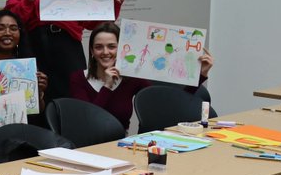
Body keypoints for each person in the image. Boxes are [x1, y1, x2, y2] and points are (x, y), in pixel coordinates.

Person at [68, 21, 214, 131]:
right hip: (89, 147)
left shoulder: (131, 78)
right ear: (92, 52)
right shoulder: (78, 78)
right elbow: (87, 122)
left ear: (121, 48)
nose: (105, 52)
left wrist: (200, 75)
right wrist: (107, 86)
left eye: (111, 46)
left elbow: (165, 106)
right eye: (99, 47)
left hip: (120, 144)